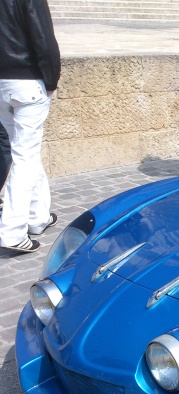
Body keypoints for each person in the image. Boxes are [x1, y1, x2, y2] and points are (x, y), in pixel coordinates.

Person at [0, 0, 60, 254]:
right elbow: (43, 37)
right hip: (27, 82)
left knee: (27, 152)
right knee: (25, 157)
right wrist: (52, 79)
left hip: (2, 83)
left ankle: (38, 217)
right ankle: (12, 232)